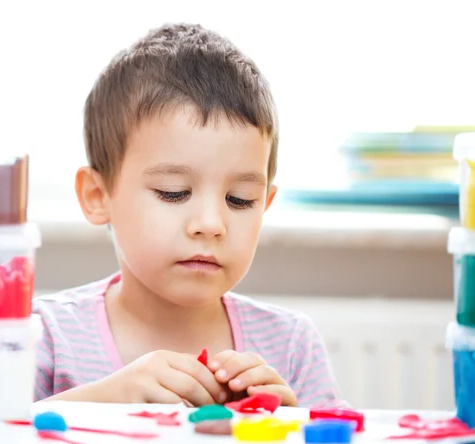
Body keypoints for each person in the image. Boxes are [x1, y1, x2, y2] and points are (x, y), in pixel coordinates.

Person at [34, 22, 343, 409]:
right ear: (98, 196)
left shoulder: (293, 345)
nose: (211, 225)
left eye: (240, 199)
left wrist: (291, 425)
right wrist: (105, 400)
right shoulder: (46, 336)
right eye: (173, 192)